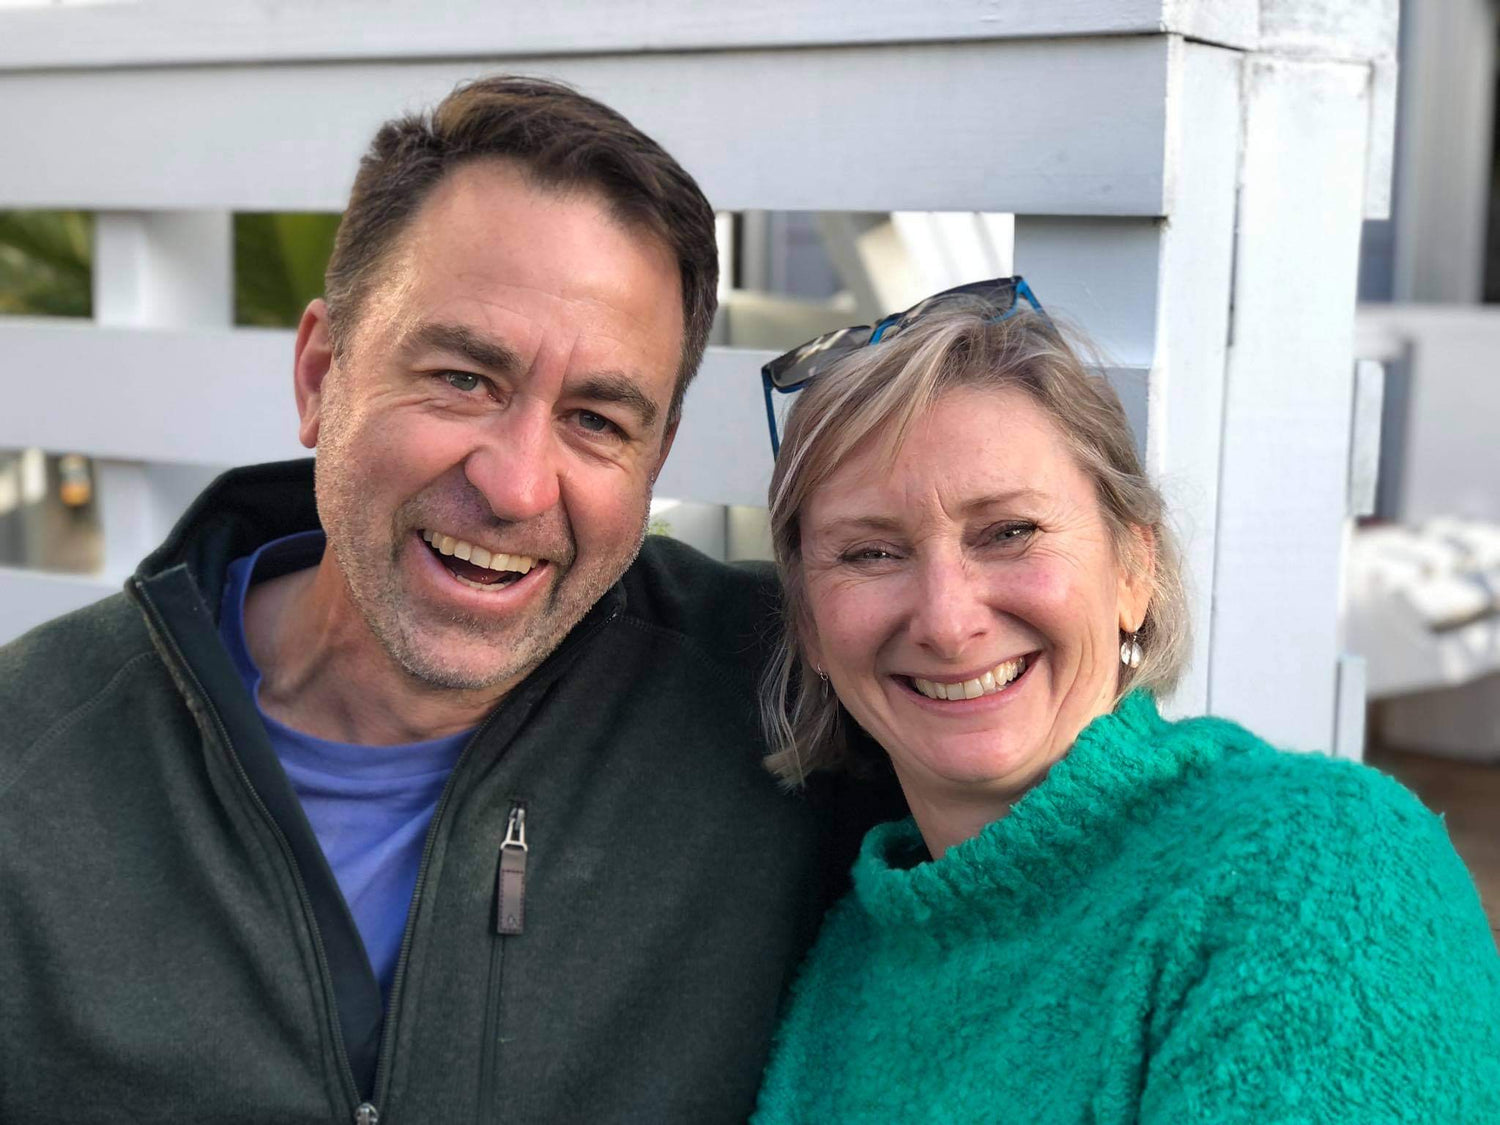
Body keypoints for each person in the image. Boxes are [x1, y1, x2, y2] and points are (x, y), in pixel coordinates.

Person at [0, 77, 883, 1124]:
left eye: (598, 419)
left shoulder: (795, 697)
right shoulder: (29, 761)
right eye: (465, 377)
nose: (515, 485)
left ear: (657, 460)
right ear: (322, 373)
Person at [750, 288, 1500, 1123]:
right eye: (871, 551)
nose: (948, 621)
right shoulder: (849, 954)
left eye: (1010, 532)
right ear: (811, 628)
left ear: (1135, 569)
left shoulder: (1315, 869)